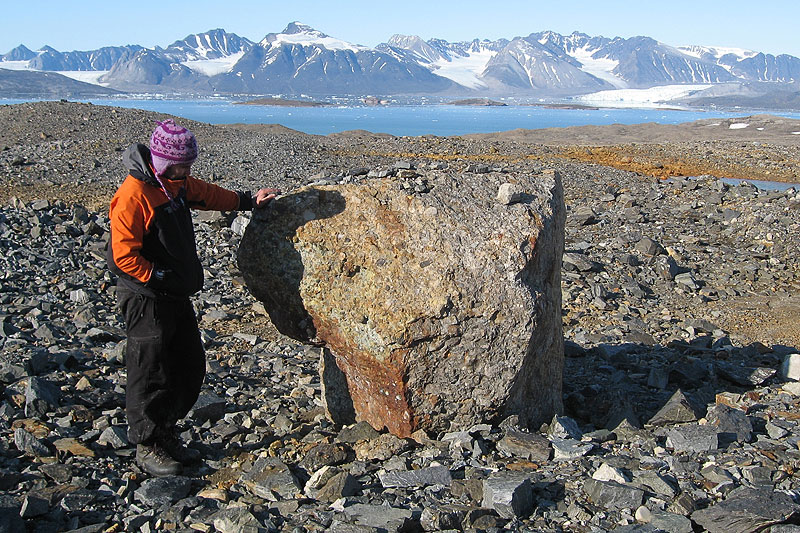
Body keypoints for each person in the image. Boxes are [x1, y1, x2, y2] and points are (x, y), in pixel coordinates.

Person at [107, 119, 278, 476]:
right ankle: (147, 443)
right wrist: (155, 276)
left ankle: (166, 431)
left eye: (188, 166)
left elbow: (209, 194)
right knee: (151, 368)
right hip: (146, 297)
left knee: (187, 363)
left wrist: (248, 201)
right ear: (162, 160)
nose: (186, 172)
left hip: (173, 292)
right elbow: (123, 254)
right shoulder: (133, 195)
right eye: (181, 166)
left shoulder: (177, 184)